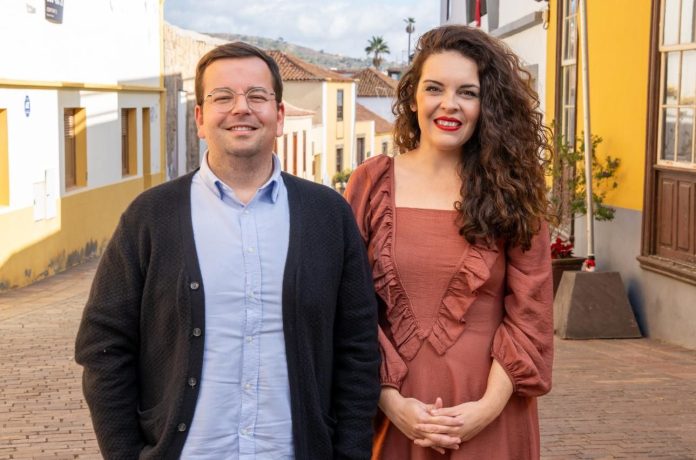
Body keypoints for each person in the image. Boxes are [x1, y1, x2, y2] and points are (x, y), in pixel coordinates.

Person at [75, 42, 380, 459]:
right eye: (223, 97)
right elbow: (103, 346)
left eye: (257, 96)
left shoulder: (328, 216)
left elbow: (358, 348)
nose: (241, 108)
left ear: (280, 116)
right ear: (200, 119)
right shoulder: (149, 217)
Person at [345, 25, 554, 459]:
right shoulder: (371, 182)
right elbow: (348, 305)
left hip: (491, 413)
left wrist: (484, 411)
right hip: (391, 412)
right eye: (434, 88)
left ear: (487, 104)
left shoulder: (513, 191)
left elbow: (531, 314)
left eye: (468, 92)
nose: (449, 104)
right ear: (413, 97)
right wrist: (392, 403)